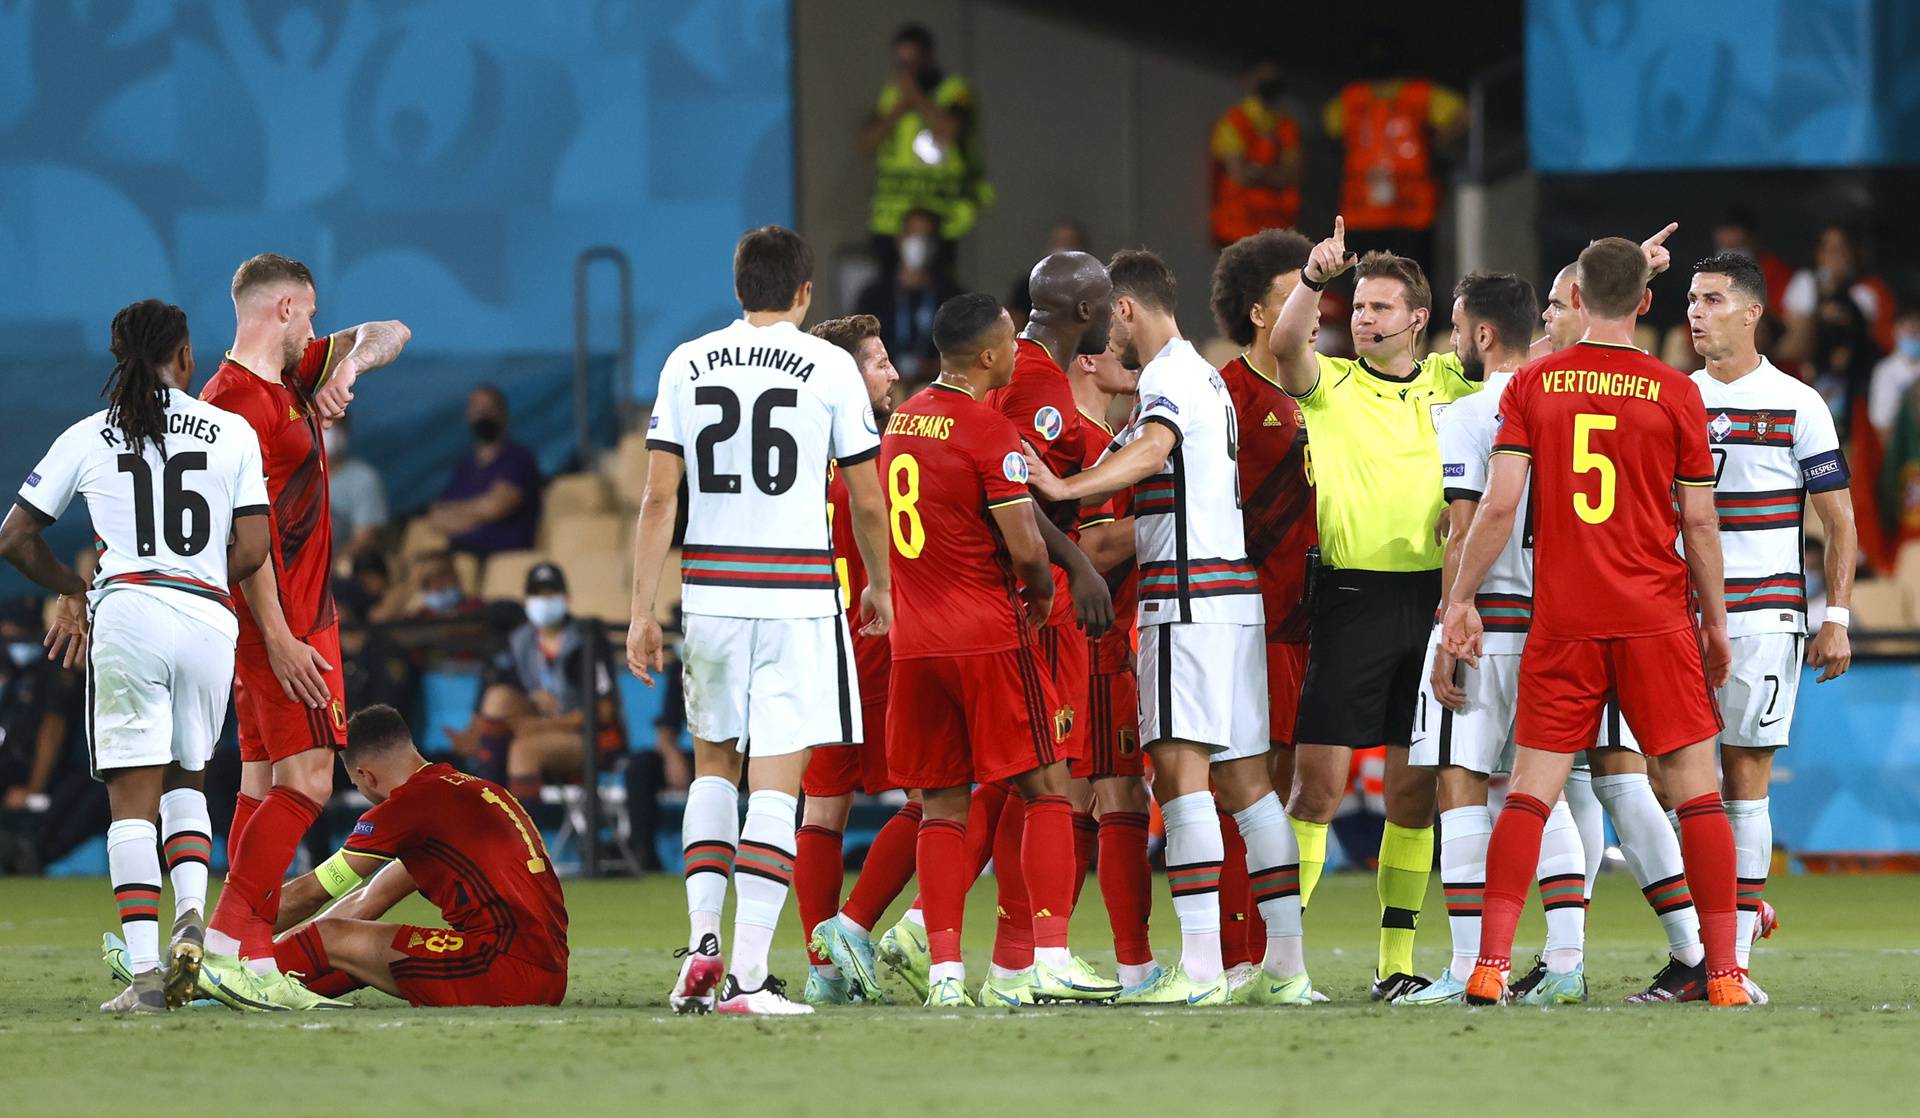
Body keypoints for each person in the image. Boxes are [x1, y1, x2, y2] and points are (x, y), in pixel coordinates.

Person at [1439, 235, 1749, 1008]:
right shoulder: (1679, 392)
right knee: (1697, 794)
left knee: (1530, 793)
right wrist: (1715, 622)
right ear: (1647, 303)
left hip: (1565, 619)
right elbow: (1701, 524)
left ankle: (1490, 967)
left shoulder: (1533, 388)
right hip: (1655, 619)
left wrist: (1461, 600)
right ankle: (1723, 974)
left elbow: (1501, 505)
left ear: (1575, 300)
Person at [1026, 251, 1313, 1008]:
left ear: (1126, 309)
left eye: (1104, 320)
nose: (1100, 341)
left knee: (1180, 781)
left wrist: (1060, 484)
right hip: (1233, 599)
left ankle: (1201, 971)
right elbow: (1153, 449)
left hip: (1183, 602)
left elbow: (1153, 449)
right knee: (1250, 790)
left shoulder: (1167, 382)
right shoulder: (1203, 376)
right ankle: (1287, 969)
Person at [627, 226, 894, 1016]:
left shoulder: (686, 360)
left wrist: (642, 609)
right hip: (798, 596)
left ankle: (700, 950)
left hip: (709, 594)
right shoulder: (830, 365)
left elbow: (657, 498)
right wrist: (879, 584)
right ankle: (746, 976)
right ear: (806, 291)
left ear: (738, 285)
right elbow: (868, 495)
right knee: (779, 786)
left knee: (715, 770)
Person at [0, 298, 272, 1013]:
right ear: (185, 358)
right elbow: (253, 549)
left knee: (130, 804)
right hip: (209, 618)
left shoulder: (90, 434)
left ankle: (148, 976)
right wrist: (200, 576)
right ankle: (192, 915)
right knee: (190, 775)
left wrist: (75, 585)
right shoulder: (233, 431)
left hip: (130, 613)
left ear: (119, 358)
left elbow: (14, 539)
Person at [881, 292, 1116, 1008]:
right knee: (1048, 787)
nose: (1019, 347)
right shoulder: (985, 429)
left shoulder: (902, 418)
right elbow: (1024, 546)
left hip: (915, 646)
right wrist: (1047, 592)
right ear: (987, 355)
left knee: (944, 807)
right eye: (1011, 338)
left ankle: (947, 976)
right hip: (985, 634)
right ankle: (1047, 957)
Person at [1265, 218, 1477, 1001]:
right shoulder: (1330, 383)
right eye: (1359, 308)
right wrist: (1313, 281)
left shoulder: (1453, 382)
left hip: (1431, 602)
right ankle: (1279, 960)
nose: (1365, 320)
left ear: (1419, 319)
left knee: (1413, 791)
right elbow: (1286, 349)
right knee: (1316, 788)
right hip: (1350, 599)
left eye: (1381, 309)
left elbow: (1521, 359)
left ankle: (1395, 960)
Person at [196, 252, 411, 1008]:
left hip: (294, 616)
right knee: (311, 781)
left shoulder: (287, 377)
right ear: (284, 309)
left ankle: (248, 954)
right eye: (312, 314)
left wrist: (347, 366)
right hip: (280, 622)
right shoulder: (230, 405)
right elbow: (238, 533)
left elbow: (391, 331)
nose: (319, 328)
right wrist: (283, 636)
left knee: (259, 786)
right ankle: (226, 942)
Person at [1406, 272, 1612, 1005]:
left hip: (1487, 620)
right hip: (1560, 623)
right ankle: (1563, 962)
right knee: (1539, 792)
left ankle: (1466, 967)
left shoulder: (1470, 411)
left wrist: (1448, 618)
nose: (1454, 341)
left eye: (1458, 329)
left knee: (1463, 787)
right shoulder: (1571, 399)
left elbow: (1468, 525)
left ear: (1484, 334)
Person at [1688, 251, 1857, 1002]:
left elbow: (1841, 523)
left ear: (1753, 312)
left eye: (1713, 299)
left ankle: (1732, 962)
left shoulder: (1797, 401)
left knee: (1741, 779)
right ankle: (1722, 922)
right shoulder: (1672, 396)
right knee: (1657, 781)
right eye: (1691, 299)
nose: (1696, 312)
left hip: (1764, 616)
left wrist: (1838, 618)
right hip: (1671, 619)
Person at [970, 249, 1119, 1005]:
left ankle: (1008, 963)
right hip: (1031, 600)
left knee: (1028, 784)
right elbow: (1015, 495)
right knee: (1052, 781)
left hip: (1005, 599)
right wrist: (1080, 567)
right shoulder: (1040, 385)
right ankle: (1044, 955)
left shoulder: (1020, 372)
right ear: (1088, 314)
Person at [264, 705, 567, 1007]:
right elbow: (369, 899)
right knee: (352, 952)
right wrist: (282, 946)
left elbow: (310, 895)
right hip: (549, 974)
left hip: (501, 970)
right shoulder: (472, 793)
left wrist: (235, 935)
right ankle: (262, 985)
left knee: (332, 936)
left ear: (365, 776)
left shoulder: (406, 808)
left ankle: (239, 982)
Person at [787, 314, 918, 1006]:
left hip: (819, 653)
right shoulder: (885, 458)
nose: (892, 372)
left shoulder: (799, 463)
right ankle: (856, 927)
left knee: (821, 812)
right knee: (938, 797)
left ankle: (824, 969)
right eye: (877, 362)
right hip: (888, 646)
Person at [1209, 232, 1320, 983]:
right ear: (1258, 313)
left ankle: (1260, 956)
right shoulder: (1226, 393)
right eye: (1294, 295)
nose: (1313, 311)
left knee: (1286, 786)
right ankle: (1231, 956)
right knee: (1246, 788)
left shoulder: (1324, 385)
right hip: (1255, 620)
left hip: (1316, 617)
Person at [1062, 341, 1160, 991]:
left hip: (1097, 638)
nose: (1139, 366)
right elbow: (1094, 544)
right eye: (1126, 355)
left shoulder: (1113, 434)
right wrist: (1178, 518)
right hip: (1098, 641)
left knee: (1060, 797)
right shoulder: (1101, 442)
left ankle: (1030, 952)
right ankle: (1131, 964)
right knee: (1112, 793)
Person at [455, 562, 623, 799]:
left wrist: (546, 726)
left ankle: (522, 833)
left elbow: (604, 712)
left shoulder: (587, 640)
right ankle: (487, 805)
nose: (544, 601)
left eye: (551, 594)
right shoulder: (520, 641)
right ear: (526, 600)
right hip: (540, 723)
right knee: (497, 698)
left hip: (584, 735)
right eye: (537, 594)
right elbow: (509, 699)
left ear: (566, 598)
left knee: (523, 750)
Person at [861, 23, 991, 276]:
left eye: (913, 63)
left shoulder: (955, 91)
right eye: (901, 64)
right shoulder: (890, 96)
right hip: (892, 219)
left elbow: (948, 131)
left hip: (943, 217)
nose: (907, 72)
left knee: (940, 289)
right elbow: (867, 143)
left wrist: (917, 98)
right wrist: (899, 106)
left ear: (929, 58)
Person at [1322, 47, 1466, 269]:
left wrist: (1434, 142)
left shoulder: (1419, 93)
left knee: (1413, 278)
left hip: (1410, 209)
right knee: (1366, 279)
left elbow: (1462, 114)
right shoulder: (1352, 98)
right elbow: (1329, 126)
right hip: (1364, 210)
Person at [428, 386, 542, 557]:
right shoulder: (464, 465)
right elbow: (437, 517)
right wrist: (480, 511)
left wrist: (458, 512)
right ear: (468, 416)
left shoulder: (518, 457)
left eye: (489, 409)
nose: (483, 416)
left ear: (503, 414)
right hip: (463, 557)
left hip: (506, 558)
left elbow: (497, 507)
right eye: (477, 410)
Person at [855, 209, 960, 390]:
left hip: (935, 384)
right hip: (885, 382)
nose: (918, 243)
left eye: (925, 236)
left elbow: (962, 351)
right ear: (899, 239)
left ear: (935, 244)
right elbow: (859, 347)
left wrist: (932, 368)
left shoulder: (952, 296)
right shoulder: (874, 295)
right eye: (913, 234)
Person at [1209, 61, 1303, 248]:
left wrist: (1257, 172)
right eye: (1261, 77)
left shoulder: (1286, 126)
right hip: (1237, 228)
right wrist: (1275, 175)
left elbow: (1294, 174)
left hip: (1277, 228)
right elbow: (1240, 174)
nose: (1267, 82)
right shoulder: (1234, 122)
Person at [1781, 223, 1898, 363]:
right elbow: (1793, 332)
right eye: (1827, 248)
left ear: (1853, 252)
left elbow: (1881, 338)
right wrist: (1820, 314)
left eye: (1840, 248)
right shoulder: (1806, 281)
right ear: (1818, 253)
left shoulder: (1869, 289)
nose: (1833, 255)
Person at [323, 415, 387, 564]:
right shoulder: (294, 479)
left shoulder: (363, 478)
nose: (326, 432)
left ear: (345, 432)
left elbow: (365, 540)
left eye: (332, 426)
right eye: (319, 425)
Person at [1868, 309, 1920, 437]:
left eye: (1916, 331)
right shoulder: (1885, 371)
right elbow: (1881, 422)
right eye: (1909, 332)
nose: (1913, 335)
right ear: (1895, 332)